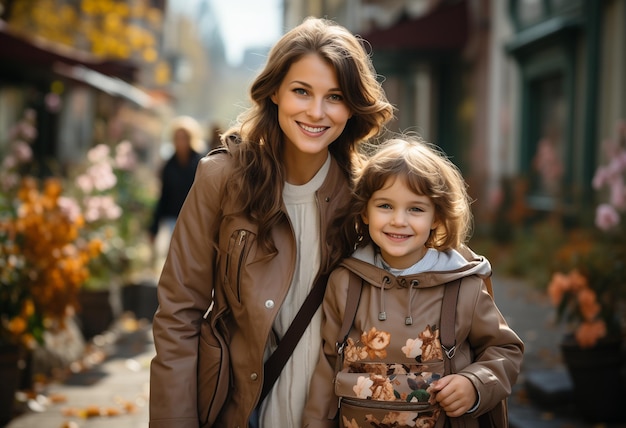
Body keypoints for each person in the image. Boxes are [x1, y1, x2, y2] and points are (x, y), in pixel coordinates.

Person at [149, 17, 395, 428]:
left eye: (334, 96)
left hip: (338, 412)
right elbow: (178, 314)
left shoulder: (368, 196)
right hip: (243, 410)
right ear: (276, 92)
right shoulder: (222, 179)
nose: (316, 112)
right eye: (302, 91)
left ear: (352, 105)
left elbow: (428, 283)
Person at [303, 137, 524, 427]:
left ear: (436, 217)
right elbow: (327, 366)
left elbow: (505, 350)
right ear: (365, 212)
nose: (398, 220)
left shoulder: (462, 286)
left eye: (416, 209)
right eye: (385, 205)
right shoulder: (345, 282)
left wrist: (475, 384)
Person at [148, 115, 204, 244]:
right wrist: (154, 227)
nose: (180, 142)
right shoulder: (169, 165)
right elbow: (164, 195)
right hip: (172, 217)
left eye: (184, 138)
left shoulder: (201, 163)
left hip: (194, 219)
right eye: (177, 138)